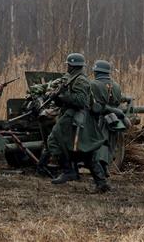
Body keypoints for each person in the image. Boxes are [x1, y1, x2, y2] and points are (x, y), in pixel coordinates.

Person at [47, 53, 110, 192]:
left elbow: (81, 101)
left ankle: (71, 172)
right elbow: (64, 96)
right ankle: (98, 182)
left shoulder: (81, 80)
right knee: (81, 151)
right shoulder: (70, 78)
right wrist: (55, 96)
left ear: (72, 65)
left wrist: (63, 96)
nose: (67, 67)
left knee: (59, 140)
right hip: (70, 116)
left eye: (68, 64)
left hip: (78, 118)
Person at [90, 60, 128, 176]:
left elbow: (93, 104)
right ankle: (105, 167)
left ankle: (101, 169)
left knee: (100, 144)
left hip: (100, 118)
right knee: (112, 144)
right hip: (115, 119)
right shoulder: (116, 85)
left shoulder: (94, 84)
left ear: (96, 71)